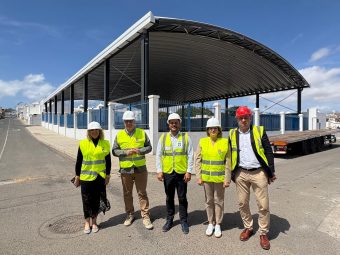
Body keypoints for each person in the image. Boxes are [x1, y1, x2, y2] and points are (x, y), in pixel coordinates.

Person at [228, 106, 277, 250]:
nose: (243, 120)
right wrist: (230, 174)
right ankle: (248, 227)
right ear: (237, 119)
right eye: (241, 118)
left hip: (259, 172)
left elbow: (268, 151)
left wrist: (271, 171)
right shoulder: (232, 134)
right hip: (241, 173)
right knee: (242, 203)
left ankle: (263, 233)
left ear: (250, 118)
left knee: (263, 205)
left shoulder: (259, 131)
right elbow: (229, 154)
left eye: (246, 117)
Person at [112, 110, 153, 230]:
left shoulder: (141, 133)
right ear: (124, 122)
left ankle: (145, 216)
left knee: (142, 193)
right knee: (127, 193)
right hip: (126, 169)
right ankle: (130, 214)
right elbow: (114, 151)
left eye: (131, 121)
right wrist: (125, 152)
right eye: (127, 121)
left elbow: (149, 147)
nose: (129, 123)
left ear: (134, 121)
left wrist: (141, 150)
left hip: (140, 168)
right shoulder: (119, 135)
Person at [156, 113, 194, 234]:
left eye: (176, 122)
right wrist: (159, 170)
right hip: (168, 173)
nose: (174, 124)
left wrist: (189, 171)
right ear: (168, 124)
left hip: (181, 173)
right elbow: (158, 155)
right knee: (169, 197)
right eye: (171, 122)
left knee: (182, 198)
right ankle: (170, 220)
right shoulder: (163, 138)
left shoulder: (185, 137)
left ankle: (183, 221)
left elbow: (190, 155)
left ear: (179, 124)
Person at [195, 118, 231, 238]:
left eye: (215, 128)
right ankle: (210, 223)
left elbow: (228, 162)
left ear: (219, 129)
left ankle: (218, 224)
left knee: (219, 201)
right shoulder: (202, 141)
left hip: (220, 179)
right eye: (210, 128)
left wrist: (227, 179)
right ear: (207, 130)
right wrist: (198, 176)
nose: (213, 130)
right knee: (209, 201)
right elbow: (197, 160)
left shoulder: (225, 142)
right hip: (206, 178)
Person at [73, 121, 111, 234]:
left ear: (100, 131)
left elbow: (108, 161)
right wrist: (77, 176)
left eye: (96, 130)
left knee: (96, 201)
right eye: (92, 130)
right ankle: (86, 222)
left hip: (99, 177)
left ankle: (94, 222)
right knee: (86, 201)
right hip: (86, 177)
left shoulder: (105, 143)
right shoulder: (83, 143)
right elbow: (79, 161)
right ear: (89, 132)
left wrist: (108, 175)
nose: (94, 132)